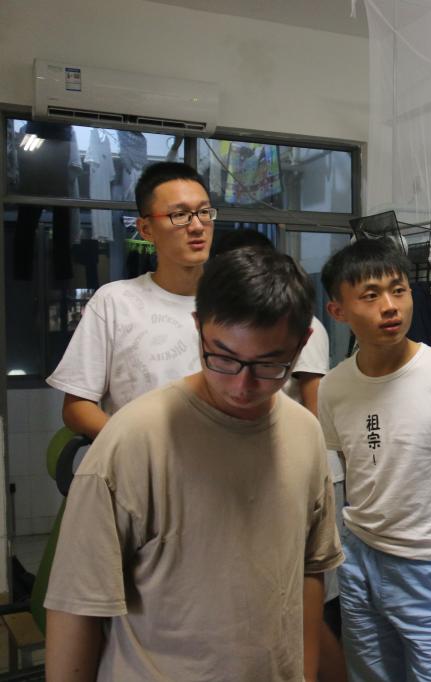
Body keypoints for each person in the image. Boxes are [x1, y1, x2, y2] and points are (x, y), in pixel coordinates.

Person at [43, 246, 343, 682]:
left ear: (303, 343)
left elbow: (311, 568)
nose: (241, 385)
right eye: (222, 357)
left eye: (269, 364)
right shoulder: (132, 440)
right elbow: (76, 605)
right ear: (198, 326)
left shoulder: (306, 434)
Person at [318, 238, 431, 681]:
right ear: (338, 311)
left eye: (398, 290)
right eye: (370, 295)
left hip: (430, 566)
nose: (390, 307)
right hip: (358, 559)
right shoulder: (333, 387)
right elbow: (357, 470)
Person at [210, 227, 348, 680]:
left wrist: (304, 467)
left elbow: (314, 405)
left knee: (310, 598)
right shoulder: (224, 325)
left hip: (299, 470)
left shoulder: (301, 326)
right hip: (256, 472)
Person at [47, 161, 216, 439]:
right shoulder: (115, 302)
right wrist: (135, 445)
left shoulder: (235, 303)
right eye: (180, 215)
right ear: (146, 229)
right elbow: (77, 407)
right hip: (139, 460)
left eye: (204, 212)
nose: (197, 226)